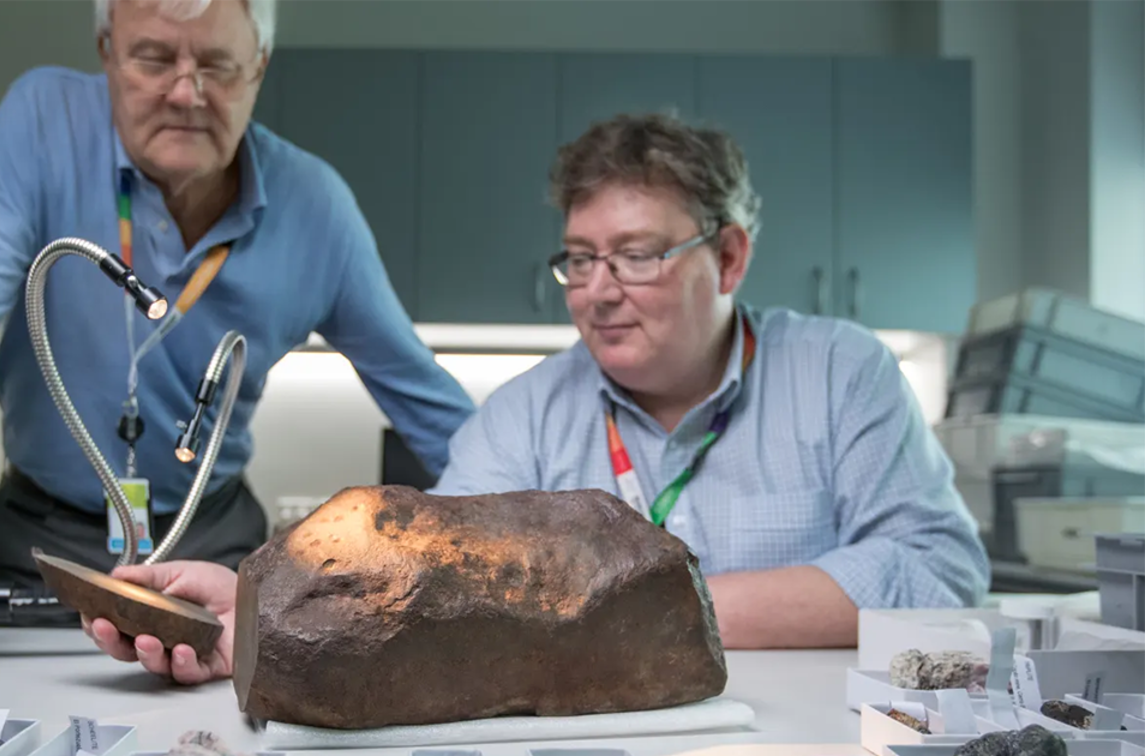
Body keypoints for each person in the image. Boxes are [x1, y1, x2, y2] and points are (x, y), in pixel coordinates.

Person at [84, 113, 990, 684]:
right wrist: (255, 609)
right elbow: (421, 588)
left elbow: (938, 574)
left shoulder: (844, 375)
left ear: (731, 256)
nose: (598, 290)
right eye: (580, 259)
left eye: (637, 255)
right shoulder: (521, 416)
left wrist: (650, 604)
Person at [0, 0, 474, 586]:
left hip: (214, 551)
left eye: (217, 65)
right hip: (41, 546)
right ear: (106, 51)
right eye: (153, 59)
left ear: (260, 64)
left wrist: (554, 531)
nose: (186, 93)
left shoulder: (317, 207)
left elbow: (433, 411)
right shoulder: (40, 124)